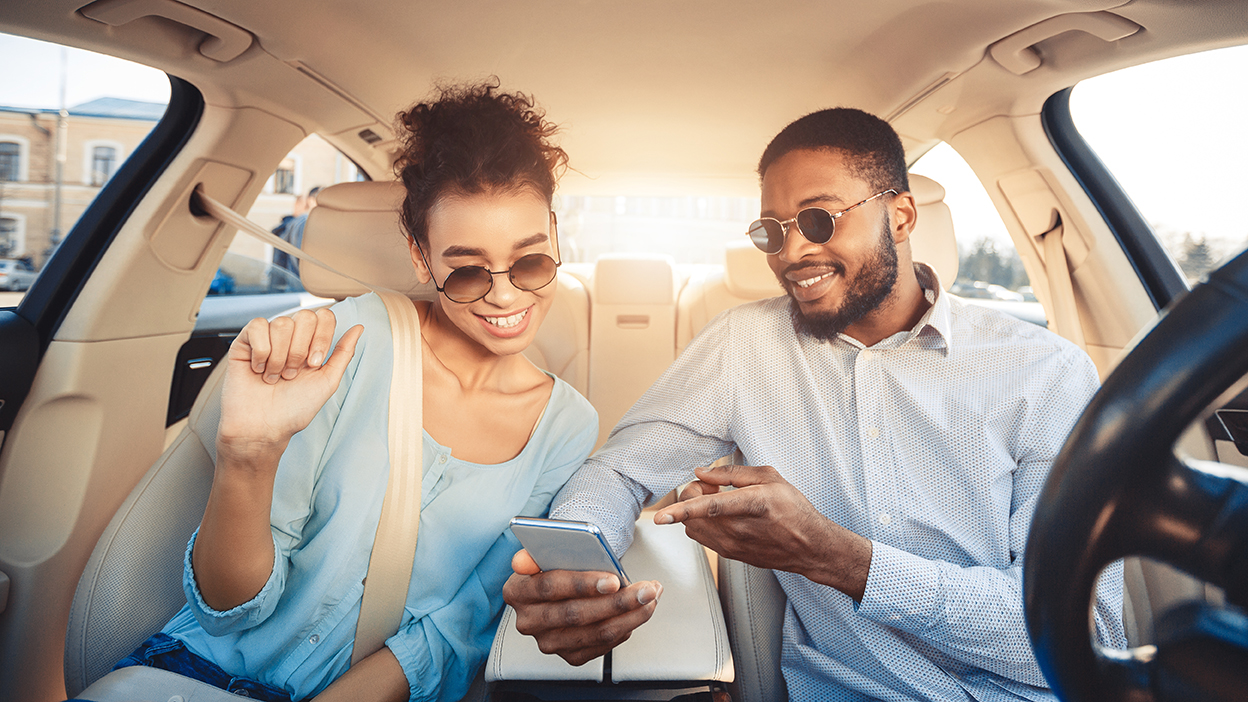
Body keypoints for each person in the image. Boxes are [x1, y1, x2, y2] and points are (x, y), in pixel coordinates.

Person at [502, 108, 1126, 701]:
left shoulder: (1045, 372)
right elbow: (619, 471)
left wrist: (834, 555)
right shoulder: (743, 345)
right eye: (771, 230)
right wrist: (577, 571)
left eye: (820, 220)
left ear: (902, 217)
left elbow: (1084, 632)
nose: (791, 252)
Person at [115, 82, 597, 702]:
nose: (505, 296)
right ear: (421, 259)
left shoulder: (569, 427)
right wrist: (247, 456)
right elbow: (226, 611)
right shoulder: (346, 339)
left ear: (557, 236)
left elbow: (461, 626)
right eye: (469, 270)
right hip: (196, 676)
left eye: (531, 262)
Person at [271, 186, 321, 276]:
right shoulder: (305, 223)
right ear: (311, 201)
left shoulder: (300, 222)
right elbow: (304, 260)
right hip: (302, 283)